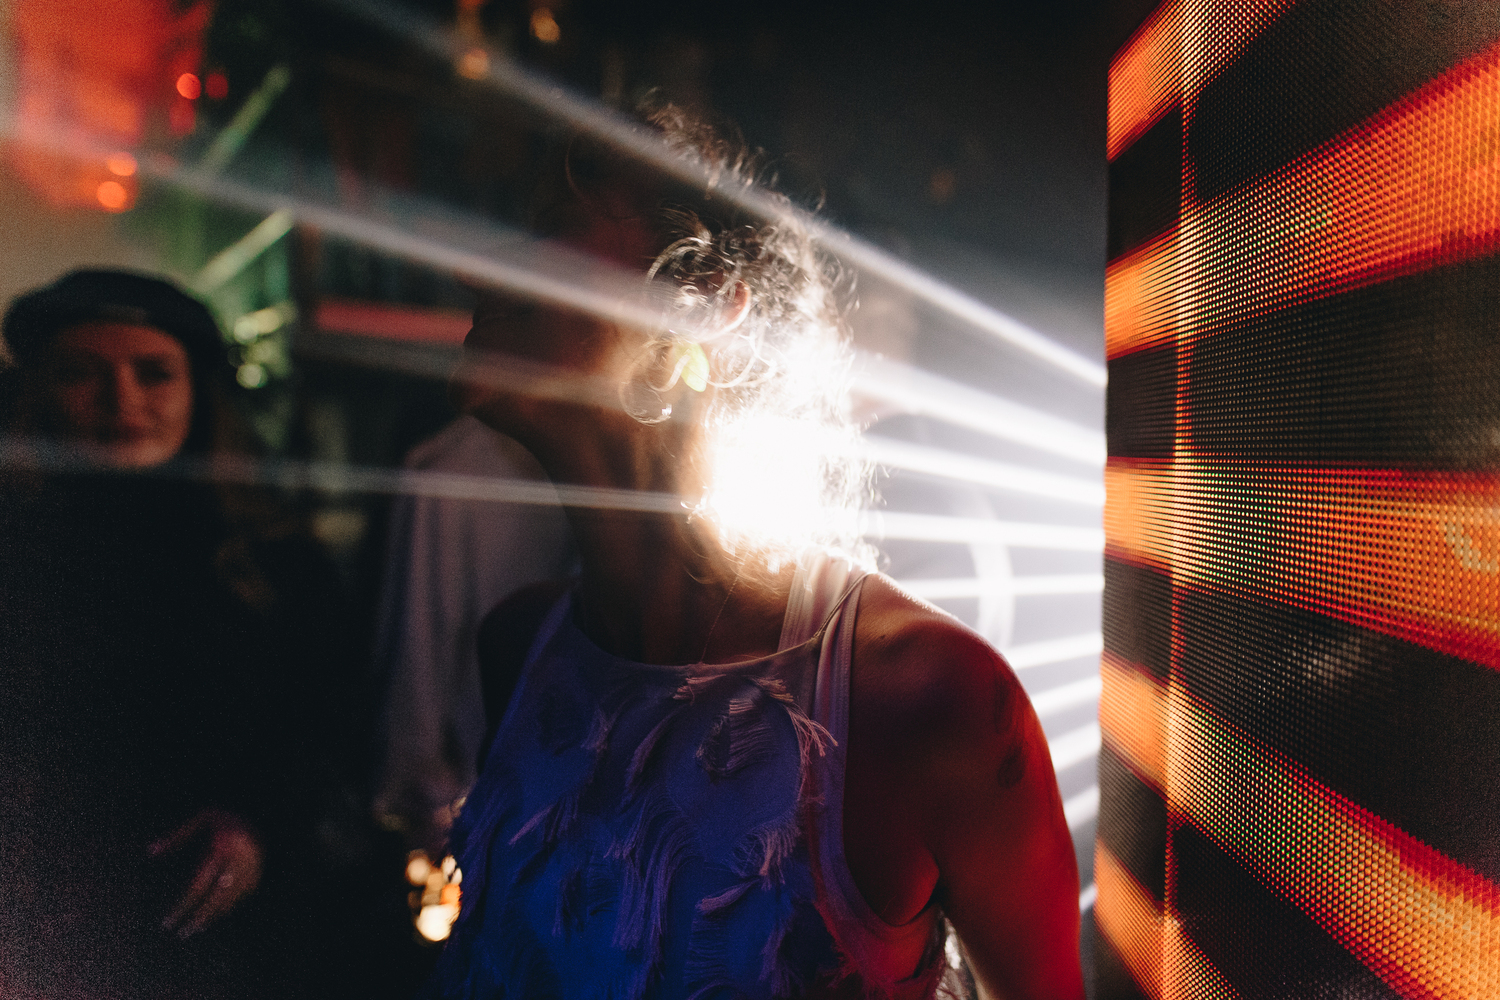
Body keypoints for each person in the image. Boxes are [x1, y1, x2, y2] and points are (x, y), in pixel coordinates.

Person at [427, 107, 1084, 1000]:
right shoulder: (519, 649)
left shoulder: (928, 698)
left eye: (550, 233)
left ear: (695, 311)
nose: (474, 268)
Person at [0, 270, 348, 999]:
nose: (121, 400)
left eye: (154, 373)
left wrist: (258, 820)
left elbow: (331, 719)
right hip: (43, 927)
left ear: (199, 392)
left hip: (233, 935)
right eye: (80, 373)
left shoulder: (273, 557)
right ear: (37, 392)